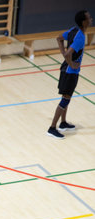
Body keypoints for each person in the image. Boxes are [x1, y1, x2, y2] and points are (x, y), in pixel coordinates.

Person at [47, 10, 93, 139]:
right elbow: (68, 54)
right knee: (65, 99)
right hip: (70, 72)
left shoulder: (74, 30)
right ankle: (52, 128)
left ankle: (63, 123)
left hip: (66, 69)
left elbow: (59, 38)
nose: (91, 19)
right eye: (89, 18)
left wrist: (65, 57)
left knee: (67, 96)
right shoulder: (80, 37)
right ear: (84, 22)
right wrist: (71, 63)